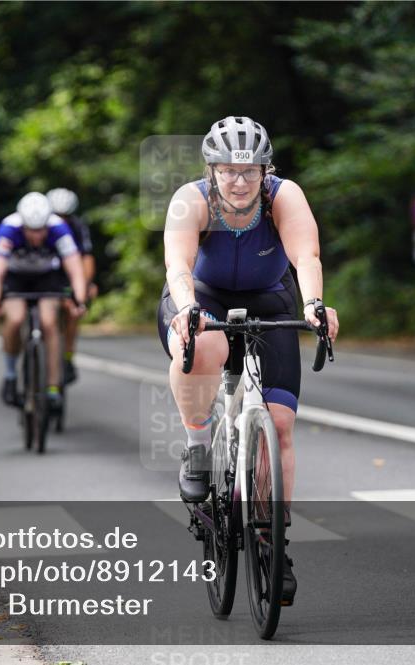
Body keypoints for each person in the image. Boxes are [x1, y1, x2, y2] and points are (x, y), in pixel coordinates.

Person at [158, 116, 339, 606]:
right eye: (228, 170)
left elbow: (307, 257)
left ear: (266, 170)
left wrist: (314, 306)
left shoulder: (284, 196)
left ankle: (272, 541)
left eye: (251, 171)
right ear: (211, 170)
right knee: (206, 348)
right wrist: (188, 311)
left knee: (280, 426)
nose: (239, 181)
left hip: (270, 297)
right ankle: (198, 446)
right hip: (202, 295)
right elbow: (178, 266)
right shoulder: (190, 200)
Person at [0, 192, 88, 411]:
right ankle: (11, 375)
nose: (37, 235)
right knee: (15, 319)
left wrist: (79, 299)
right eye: (31, 230)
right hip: (16, 278)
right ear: (22, 224)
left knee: (49, 322)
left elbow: (75, 268)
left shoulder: (58, 227)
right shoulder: (8, 229)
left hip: (46, 278)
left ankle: (52, 387)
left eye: (40, 230)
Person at [46, 188, 97, 384]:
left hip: (69, 275)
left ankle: (67, 357)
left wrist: (86, 284)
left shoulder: (77, 226)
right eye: (57, 215)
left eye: (65, 216)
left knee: (73, 311)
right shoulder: (41, 227)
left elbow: (86, 258)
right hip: (46, 275)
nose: (61, 220)